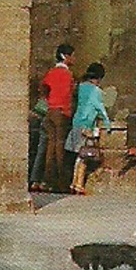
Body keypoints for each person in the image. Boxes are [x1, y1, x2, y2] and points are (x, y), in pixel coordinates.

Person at [67, 62, 111, 195]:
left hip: (76, 122)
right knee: (84, 155)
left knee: (78, 155)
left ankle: (74, 183)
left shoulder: (81, 87)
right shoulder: (96, 91)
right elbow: (100, 108)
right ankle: (78, 184)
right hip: (86, 124)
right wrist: (107, 123)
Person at [40, 43, 75, 193]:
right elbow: (70, 94)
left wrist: (49, 101)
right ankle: (61, 182)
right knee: (60, 148)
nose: (74, 58)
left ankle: (48, 179)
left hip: (51, 111)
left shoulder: (51, 72)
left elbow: (43, 87)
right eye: (72, 55)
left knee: (51, 147)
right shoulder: (67, 74)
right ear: (65, 56)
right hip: (61, 112)